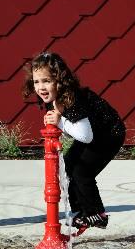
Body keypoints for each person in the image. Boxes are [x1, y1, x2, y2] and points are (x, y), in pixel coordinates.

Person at [23, 52, 126, 229]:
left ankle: (96, 214)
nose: (41, 87)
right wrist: (60, 123)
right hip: (95, 133)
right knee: (69, 165)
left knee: (82, 171)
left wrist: (60, 122)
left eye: (46, 81)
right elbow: (76, 131)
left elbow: (85, 135)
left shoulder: (70, 99)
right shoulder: (53, 99)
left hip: (109, 134)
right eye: (36, 81)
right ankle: (80, 212)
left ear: (60, 81)